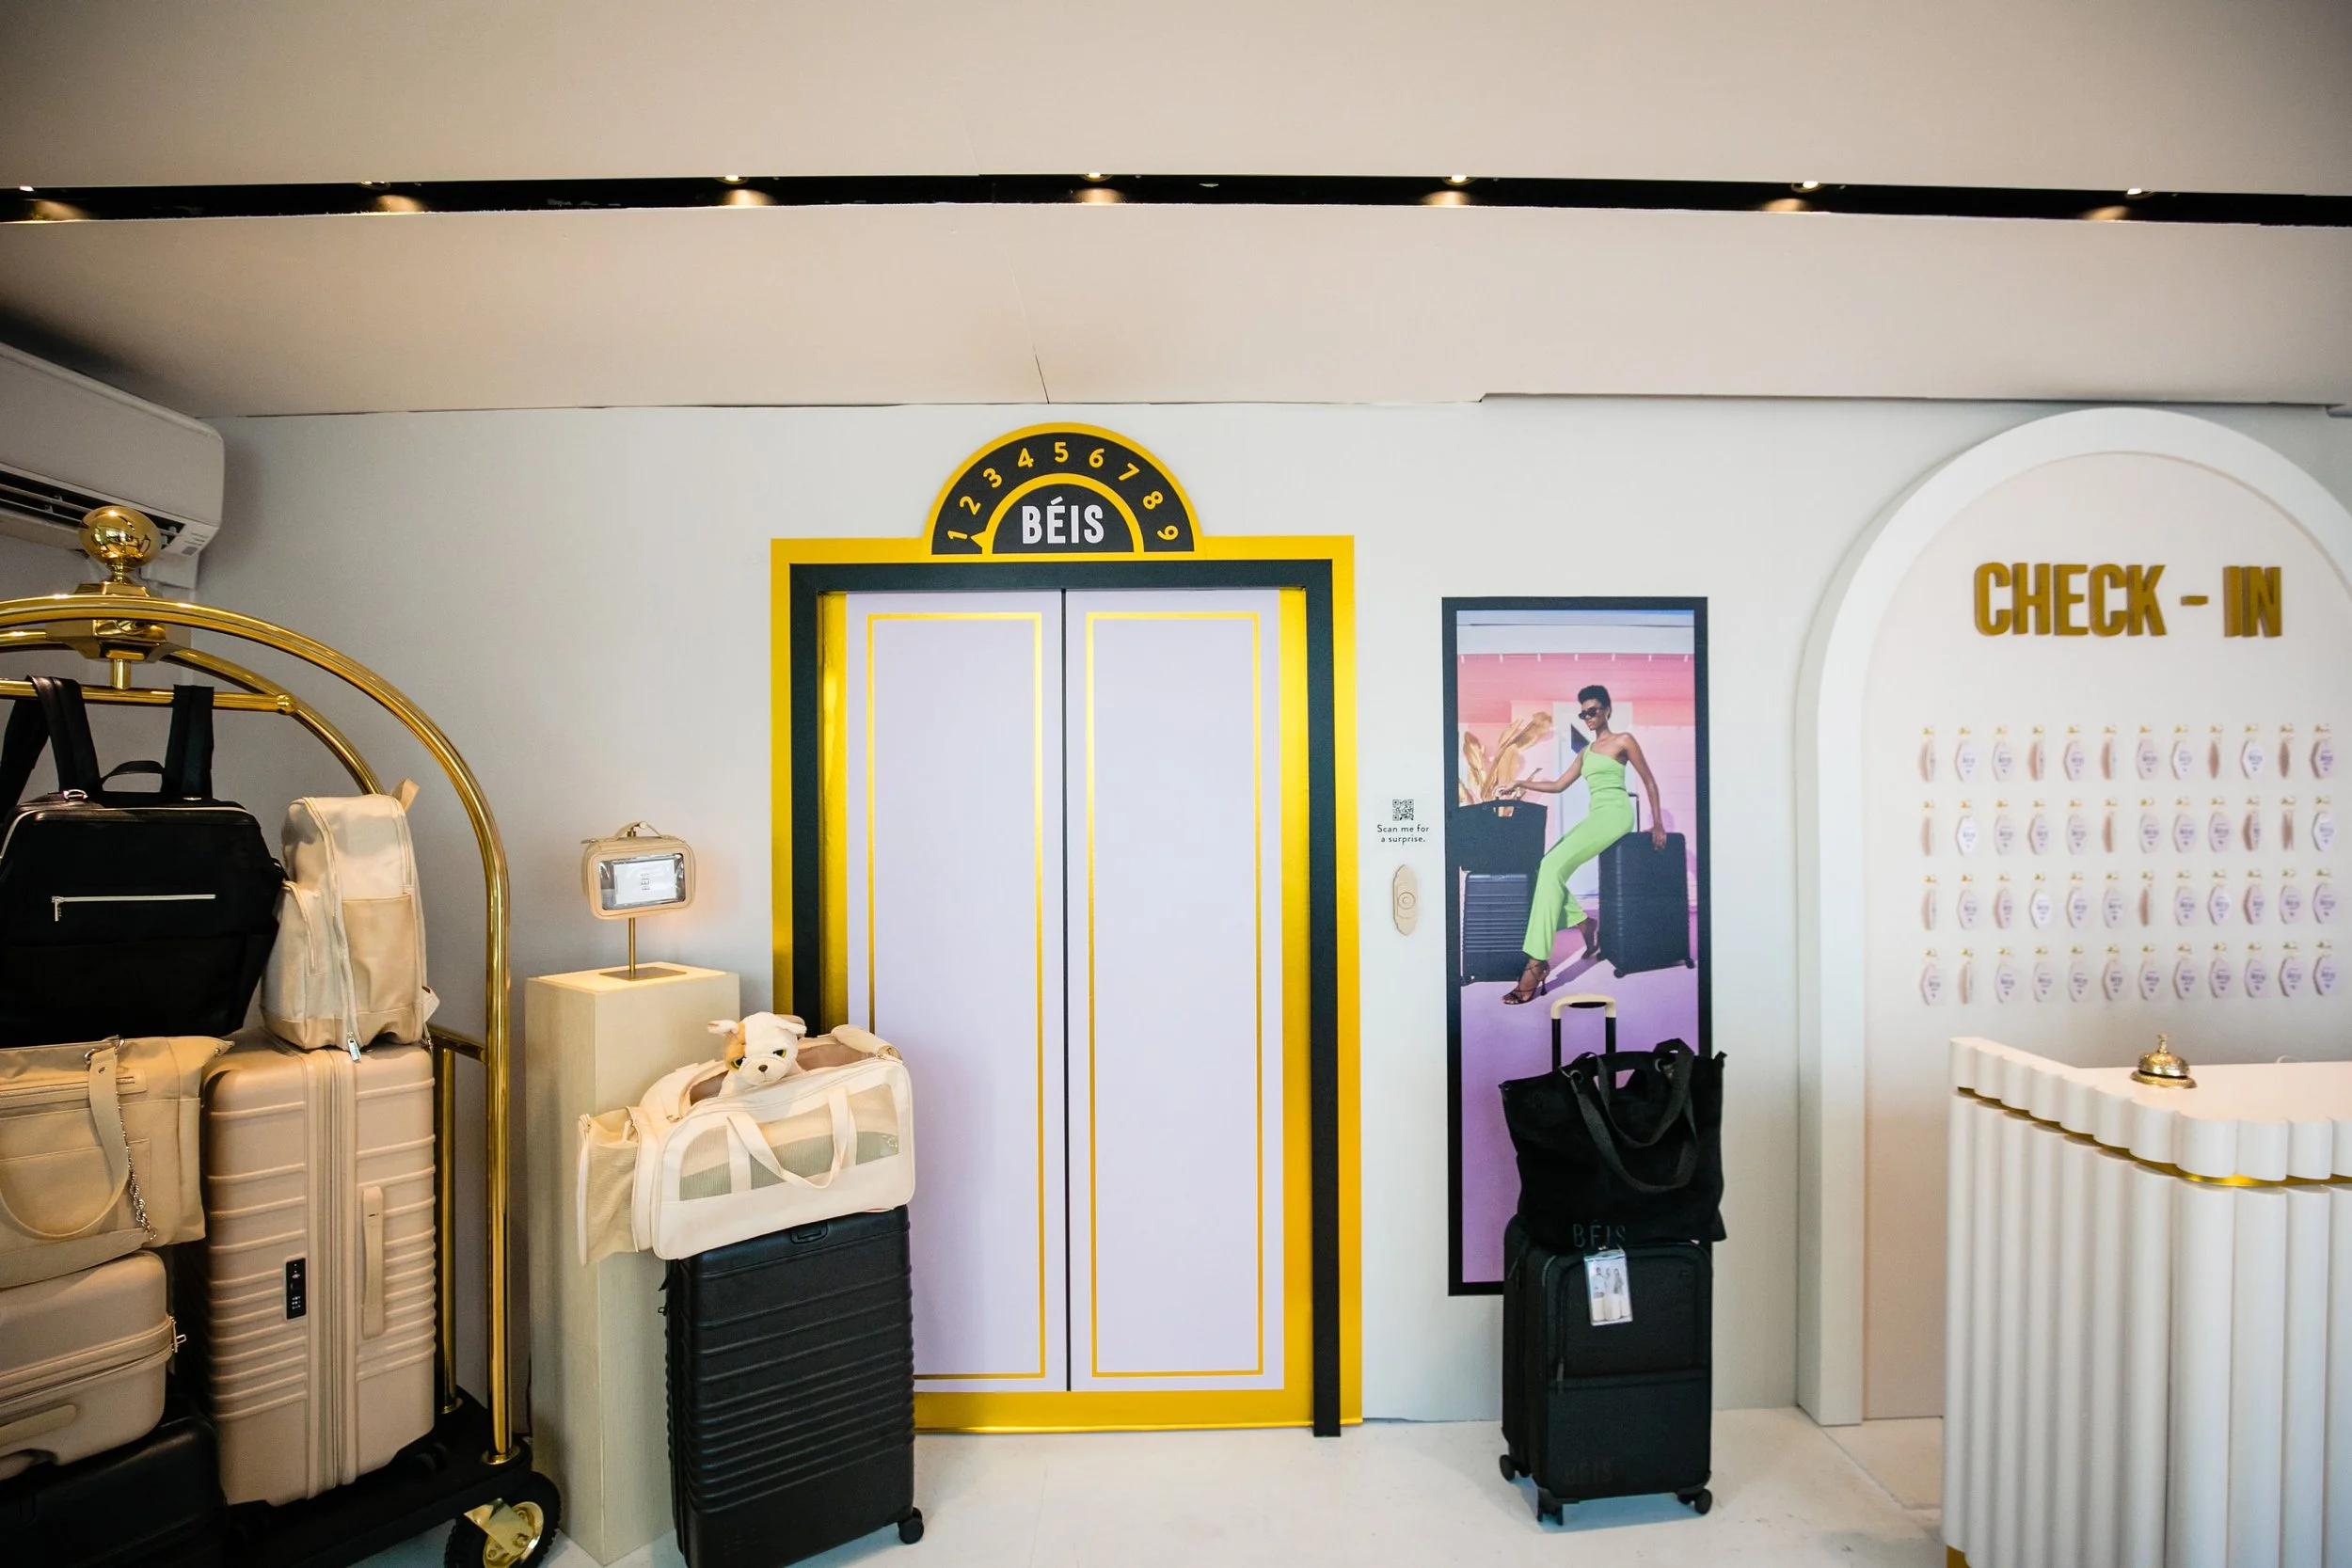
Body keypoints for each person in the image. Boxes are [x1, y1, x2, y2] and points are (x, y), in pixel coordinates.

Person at [1495, 685, 1667, 1005]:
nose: (1588, 717)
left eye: (1593, 711)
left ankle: (1536, 964)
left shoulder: (1624, 740)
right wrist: (1520, 782)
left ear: (1607, 711)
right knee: (1546, 864)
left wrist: (1657, 822)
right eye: (1583, 713)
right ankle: (1585, 923)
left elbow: (1649, 780)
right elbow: (1559, 785)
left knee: (1550, 866)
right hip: (1595, 816)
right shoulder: (1585, 753)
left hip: (1616, 815)